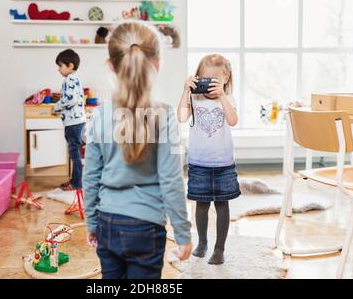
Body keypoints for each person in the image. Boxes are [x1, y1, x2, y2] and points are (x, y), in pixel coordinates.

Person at [83, 22, 192, 279]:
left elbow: (90, 177)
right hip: (147, 226)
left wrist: (91, 222)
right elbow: (171, 180)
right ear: (157, 63)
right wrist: (183, 232)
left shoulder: (99, 116)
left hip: (108, 221)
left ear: (111, 65)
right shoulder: (164, 116)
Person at [177, 54, 241, 265]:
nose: (210, 85)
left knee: (222, 205)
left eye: (216, 81)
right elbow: (181, 117)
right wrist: (186, 90)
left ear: (226, 78)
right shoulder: (195, 98)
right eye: (205, 80)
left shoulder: (228, 99)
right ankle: (202, 242)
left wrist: (222, 96)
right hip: (198, 162)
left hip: (223, 163)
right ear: (198, 77)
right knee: (201, 205)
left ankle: (219, 248)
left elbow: (233, 121)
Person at [54, 49, 86, 192]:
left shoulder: (70, 79)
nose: (59, 69)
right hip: (75, 122)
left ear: (70, 66)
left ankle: (77, 183)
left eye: (61, 65)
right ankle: (75, 180)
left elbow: (71, 99)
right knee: (75, 154)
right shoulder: (74, 79)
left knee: (75, 155)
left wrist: (56, 107)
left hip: (74, 124)